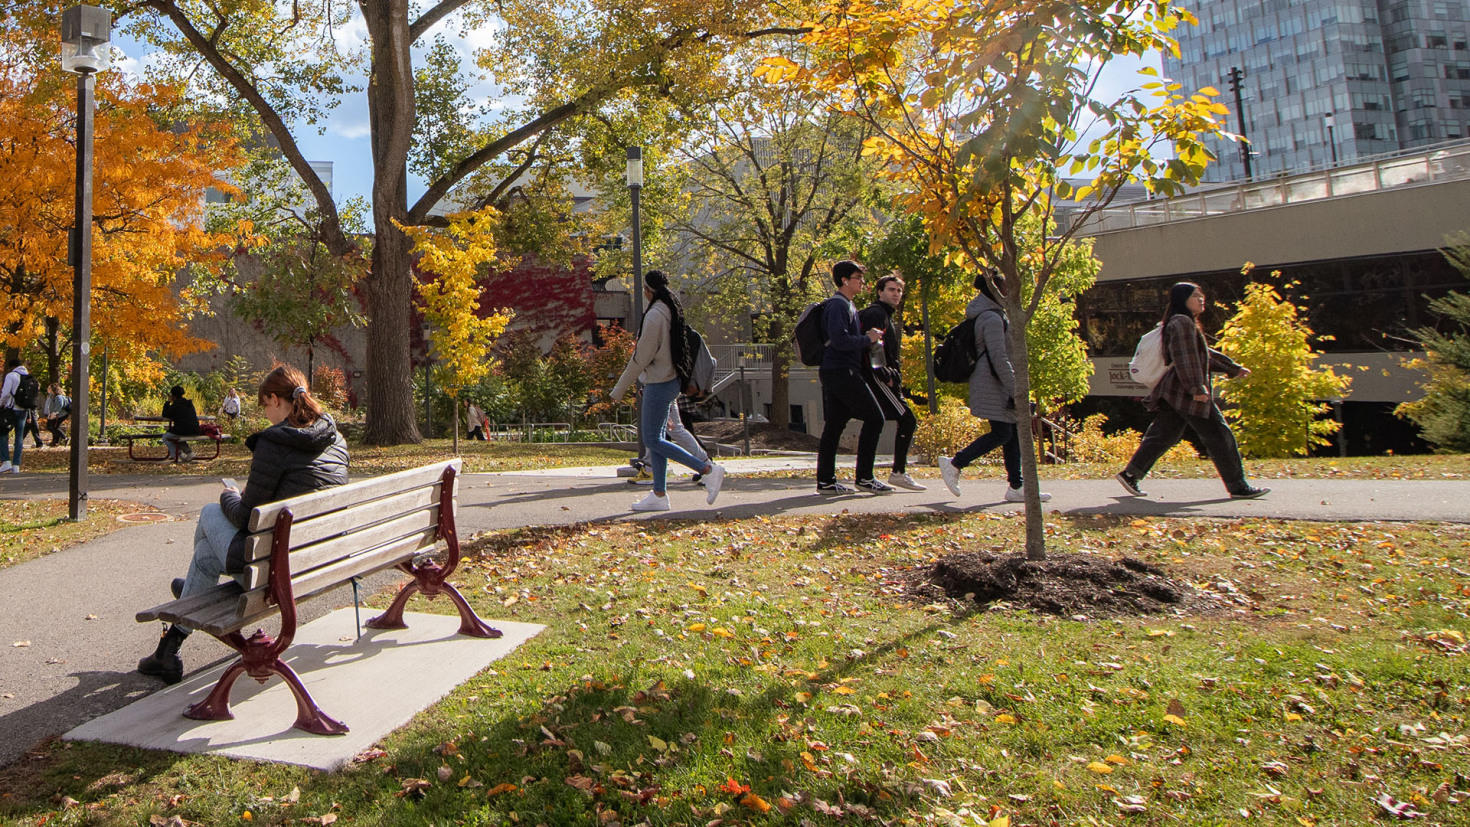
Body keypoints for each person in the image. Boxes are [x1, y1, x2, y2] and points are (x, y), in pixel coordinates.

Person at [137, 364, 349, 684]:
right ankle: (170, 647)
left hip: (271, 571)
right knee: (207, 555)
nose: (265, 414)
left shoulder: (276, 441)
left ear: (276, 400)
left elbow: (246, 516)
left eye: (264, 405)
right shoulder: (334, 437)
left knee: (210, 513)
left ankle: (194, 597)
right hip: (317, 560)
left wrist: (230, 495)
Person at [1115, 282, 1270, 500]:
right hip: (1185, 392)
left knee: (1164, 434)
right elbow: (1185, 359)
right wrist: (1197, 389)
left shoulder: (1182, 323)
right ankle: (1238, 486)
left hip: (1175, 392)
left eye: (1201, 295)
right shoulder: (1182, 323)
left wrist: (1232, 368)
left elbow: (1204, 354)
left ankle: (1131, 474)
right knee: (1219, 435)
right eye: (1195, 295)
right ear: (1183, 299)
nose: (1201, 298)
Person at [610, 270, 727, 511]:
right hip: (668, 380)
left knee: (653, 438)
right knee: (658, 439)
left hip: (659, 382)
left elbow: (640, 358)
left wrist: (618, 390)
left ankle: (707, 470)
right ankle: (659, 494)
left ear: (648, 290)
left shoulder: (654, 316)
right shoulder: (670, 309)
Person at [938, 270, 1052, 503]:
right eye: (1005, 285)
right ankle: (955, 463)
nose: (1010, 290)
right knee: (1002, 433)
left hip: (995, 382)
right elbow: (999, 358)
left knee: (1010, 434)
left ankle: (1016, 486)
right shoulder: (990, 318)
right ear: (994, 289)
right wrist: (1015, 390)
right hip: (993, 384)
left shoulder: (992, 314)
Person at [816, 260, 891, 493]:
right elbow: (839, 340)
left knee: (835, 425)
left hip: (836, 370)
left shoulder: (847, 305)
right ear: (844, 280)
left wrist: (868, 339)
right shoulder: (838, 306)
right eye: (858, 278)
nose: (862, 282)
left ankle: (826, 481)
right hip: (841, 371)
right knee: (875, 418)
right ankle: (864, 477)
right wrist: (867, 339)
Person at [858, 274, 925, 491]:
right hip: (877, 378)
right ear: (880, 292)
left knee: (876, 422)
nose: (896, 294)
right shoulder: (877, 313)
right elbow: (873, 343)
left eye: (899, 290)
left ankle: (868, 476)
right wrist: (884, 373)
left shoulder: (884, 314)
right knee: (907, 419)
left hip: (882, 377)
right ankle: (898, 472)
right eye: (891, 289)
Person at [0, 358, 34, 474]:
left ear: (11, 366)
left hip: (11, 409)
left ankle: (6, 461)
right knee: (19, 437)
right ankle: (16, 465)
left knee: (3, 433)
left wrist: (1, 404)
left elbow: (5, 393)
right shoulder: (28, 377)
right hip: (23, 410)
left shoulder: (11, 376)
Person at [161, 384, 202, 461]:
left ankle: (177, 455)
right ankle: (189, 452)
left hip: (183, 430)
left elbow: (165, 414)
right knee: (176, 436)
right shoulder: (189, 403)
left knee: (166, 437)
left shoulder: (176, 405)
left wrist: (167, 402)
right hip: (195, 429)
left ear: (173, 396)